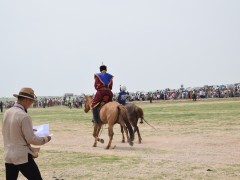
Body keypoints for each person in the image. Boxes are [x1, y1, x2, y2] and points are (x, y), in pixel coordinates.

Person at [2, 87, 51, 180]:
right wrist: (46, 139)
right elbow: (31, 139)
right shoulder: (24, 116)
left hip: (8, 155)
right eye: (31, 101)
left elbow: (8, 131)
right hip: (22, 156)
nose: (31, 103)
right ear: (25, 100)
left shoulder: (7, 113)